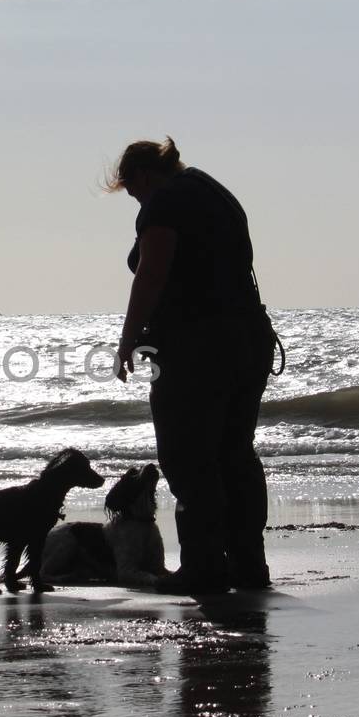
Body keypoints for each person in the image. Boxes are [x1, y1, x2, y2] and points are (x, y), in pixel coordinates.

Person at [109, 137, 278, 593]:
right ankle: (248, 565)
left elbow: (152, 272)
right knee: (235, 454)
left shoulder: (165, 201)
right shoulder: (214, 191)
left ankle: (204, 567)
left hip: (198, 346)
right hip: (249, 338)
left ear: (143, 176)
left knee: (188, 458)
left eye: (131, 190)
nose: (134, 199)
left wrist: (127, 341)